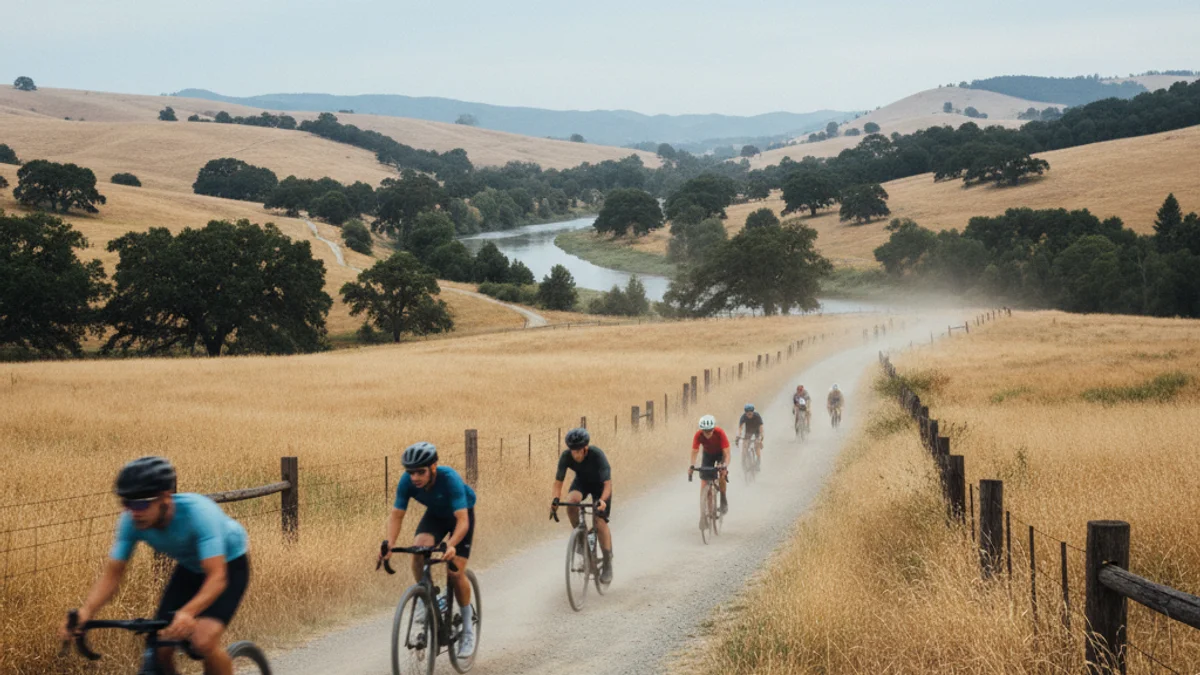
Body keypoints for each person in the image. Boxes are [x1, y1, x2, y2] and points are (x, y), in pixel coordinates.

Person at [59, 457, 250, 675]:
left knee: (202, 642)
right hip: (189, 568)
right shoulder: (131, 521)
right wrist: (86, 611)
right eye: (126, 504)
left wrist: (187, 613)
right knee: (161, 645)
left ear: (165, 497)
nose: (133, 512)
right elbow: (112, 576)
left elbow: (217, 578)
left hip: (229, 565)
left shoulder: (199, 514)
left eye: (141, 503)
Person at [379, 442, 477, 657]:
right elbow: (397, 515)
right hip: (436, 516)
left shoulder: (449, 479)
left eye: (421, 471)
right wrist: (390, 543)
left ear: (434, 466)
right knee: (418, 549)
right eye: (411, 472)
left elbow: (462, 521)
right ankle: (427, 595)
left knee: (454, 572)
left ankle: (468, 629)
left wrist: (451, 546)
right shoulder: (407, 482)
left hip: (460, 516)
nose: (415, 477)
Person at [550, 427, 614, 584]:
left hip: (600, 487)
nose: (575, 454)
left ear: (585, 448)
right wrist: (555, 500)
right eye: (573, 451)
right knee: (571, 503)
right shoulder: (566, 456)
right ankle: (581, 536)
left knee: (599, 521)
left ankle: (607, 563)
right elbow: (558, 482)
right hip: (582, 483)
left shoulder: (597, 455)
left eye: (578, 450)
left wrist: (603, 501)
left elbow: (607, 484)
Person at [689, 414, 730, 520]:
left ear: (713, 428)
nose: (708, 433)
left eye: (710, 430)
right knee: (704, 479)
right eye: (705, 431)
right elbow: (694, 451)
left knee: (722, 474)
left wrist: (724, 465)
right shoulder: (698, 435)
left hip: (721, 454)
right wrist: (692, 466)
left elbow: (727, 453)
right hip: (708, 455)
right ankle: (703, 514)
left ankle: (723, 499)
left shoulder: (720, 433)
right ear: (702, 430)